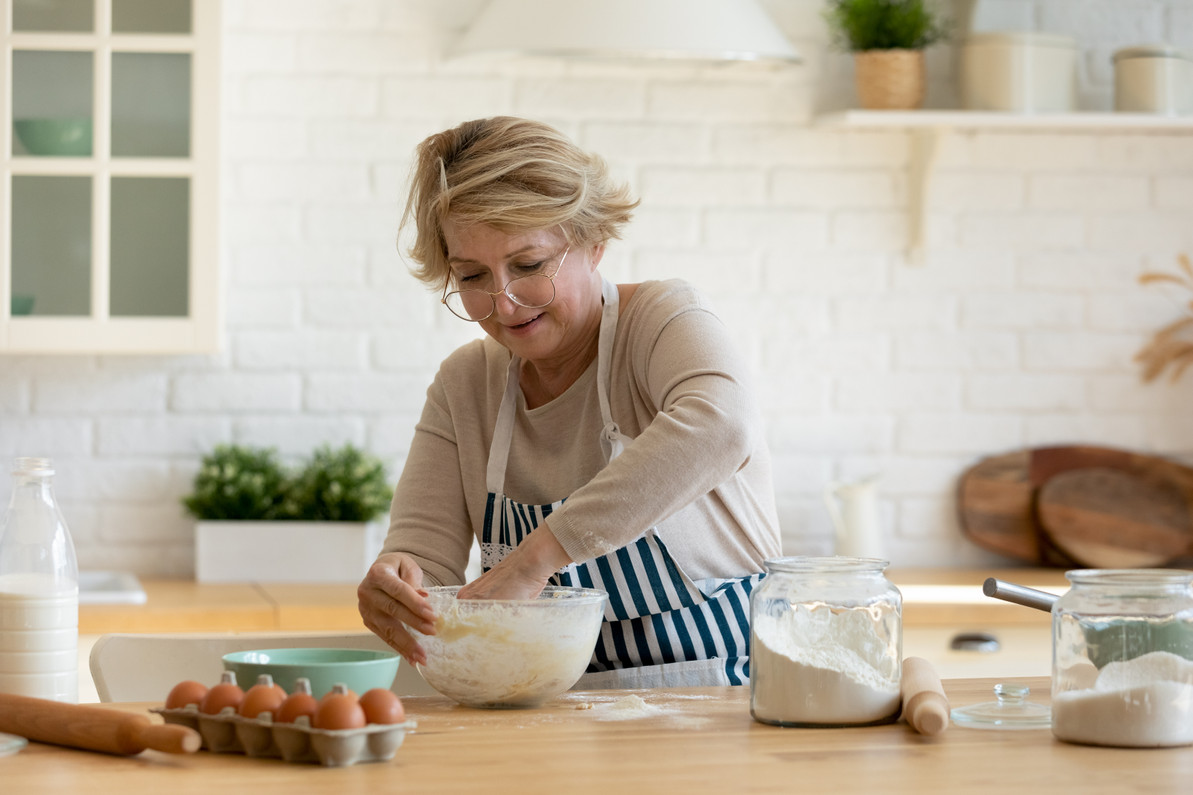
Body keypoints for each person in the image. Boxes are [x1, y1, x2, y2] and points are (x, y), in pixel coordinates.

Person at [358, 116, 781, 688]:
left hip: (721, 707)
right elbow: (423, 558)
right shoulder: (465, 385)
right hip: (547, 719)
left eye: (528, 265)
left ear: (594, 243)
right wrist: (398, 586)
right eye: (473, 276)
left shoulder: (661, 322)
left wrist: (535, 559)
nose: (504, 304)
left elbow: (722, 426)